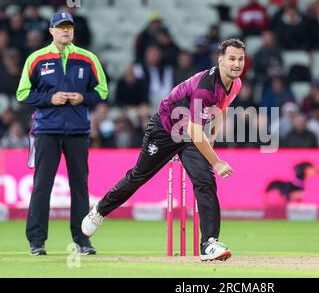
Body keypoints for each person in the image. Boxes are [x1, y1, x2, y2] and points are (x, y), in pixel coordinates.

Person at [82, 39, 246, 262]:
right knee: (138, 177)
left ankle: (209, 244)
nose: (237, 64)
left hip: (190, 133)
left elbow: (221, 109)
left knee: (204, 181)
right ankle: (100, 210)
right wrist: (216, 161)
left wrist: (213, 138)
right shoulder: (205, 87)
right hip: (166, 129)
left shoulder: (235, 84)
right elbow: (194, 130)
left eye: (240, 59)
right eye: (232, 59)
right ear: (220, 60)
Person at [16, 12, 109, 256]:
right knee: (42, 186)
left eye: (69, 27)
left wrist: (83, 98)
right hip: (46, 131)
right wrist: (49, 98)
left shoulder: (87, 58)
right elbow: (23, 93)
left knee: (80, 187)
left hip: (78, 131)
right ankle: (37, 241)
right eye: (60, 27)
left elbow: (103, 90)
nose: (65, 31)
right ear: (51, 31)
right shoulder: (36, 59)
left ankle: (82, 241)